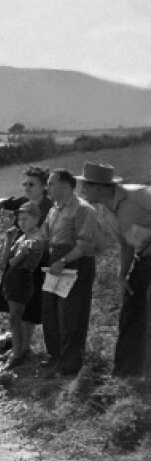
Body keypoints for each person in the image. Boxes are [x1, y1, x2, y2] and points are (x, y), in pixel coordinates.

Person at [78, 161, 151, 377]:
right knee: (131, 314)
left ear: (99, 187)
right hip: (144, 260)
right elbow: (125, 243)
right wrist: (122, 274)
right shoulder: (108, 210)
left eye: (86, 186)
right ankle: (125, 374)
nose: (82, 191)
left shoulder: (139, 196)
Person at [33, 168, 107, 377]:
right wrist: (32, 244)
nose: (47, 187)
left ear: (66, 186)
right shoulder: (54, 209)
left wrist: (64, 261)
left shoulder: (83, 209)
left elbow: (84, 245)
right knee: (51, 311)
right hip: (55, 263)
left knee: (72, 315)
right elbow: (44, 235)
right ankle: (55, 356)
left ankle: (70, 364)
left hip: (76, 264)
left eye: (51, 183)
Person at [0, 167, 52, 360]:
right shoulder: (23, 203)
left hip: (36, 260)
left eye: (32, 184)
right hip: (17, 255)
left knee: (29, 308)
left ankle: (23, 348)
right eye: (25, 184)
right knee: (14, 306)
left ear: (44, 186)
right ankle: (17, 348)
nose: (27, 188)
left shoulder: (50, 207)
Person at [0, 202, 47, 368]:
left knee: (15, 318)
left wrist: (21, 252)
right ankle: (16, 350)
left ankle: (18, 354)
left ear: (36, 219)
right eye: (19, 219)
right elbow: (5, 260)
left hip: (22, 279)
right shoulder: (22, 237)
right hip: (13, 280)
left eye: (25, 219)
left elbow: (13, 262)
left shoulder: (35, 238)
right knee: (14, 318)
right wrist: (8, 239)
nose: (21, 223)